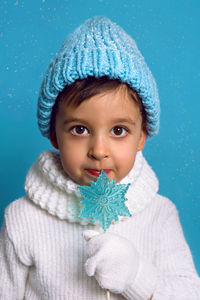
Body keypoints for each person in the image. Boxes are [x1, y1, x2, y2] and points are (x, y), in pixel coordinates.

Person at [0, 16, 199, 300]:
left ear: (141, 136)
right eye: (79, 129)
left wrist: (137, 276)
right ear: (54, 135)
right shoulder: (22, 219)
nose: (99, 150)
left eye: (119, 130)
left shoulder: (159, 214)